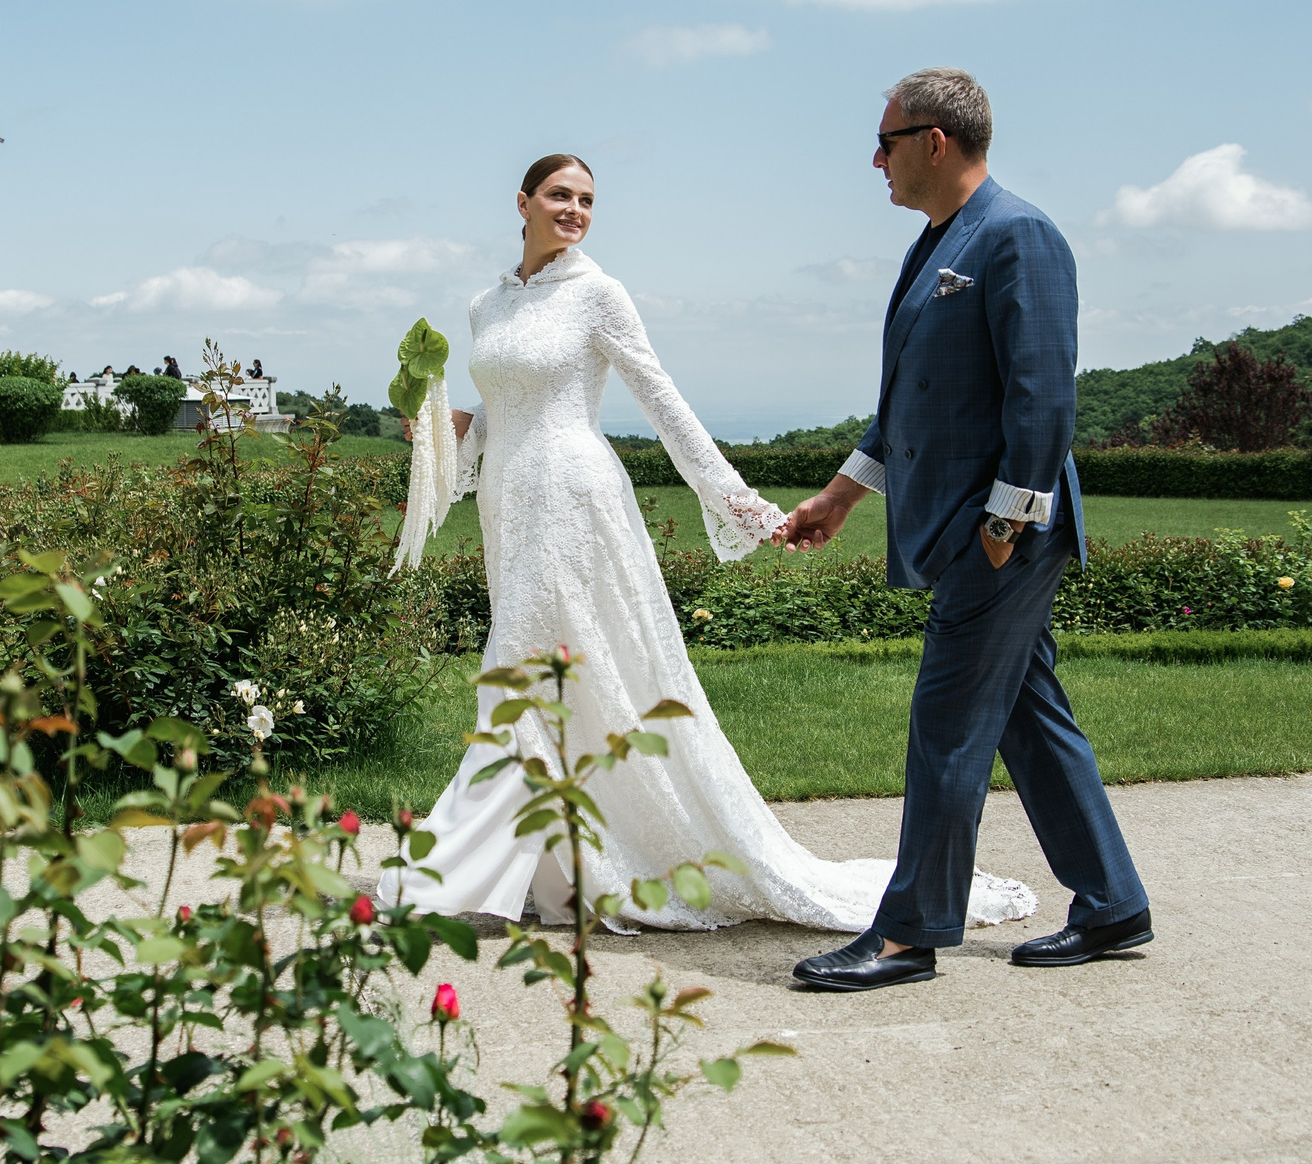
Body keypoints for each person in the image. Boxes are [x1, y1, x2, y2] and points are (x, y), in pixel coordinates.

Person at [377, 153, 1035, 935]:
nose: (575, 210)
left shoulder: (599, 295)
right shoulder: (488, 304)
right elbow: (501, 411)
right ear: (522, 201)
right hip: (508, 505)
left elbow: (664, 404)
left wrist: (742, 506)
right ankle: (566, 867)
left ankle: (451, 873)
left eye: (588, 199)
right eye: (560, 195)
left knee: (518, 669)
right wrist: (445, 431)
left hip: (574, 502)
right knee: (558, 683)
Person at [779, 69, 1152, 991]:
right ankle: (1111, 904)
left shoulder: (1020, 236)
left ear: (934, 142)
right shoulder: (933, 245)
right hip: (956, 526)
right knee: (1030, 717)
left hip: (999, 537)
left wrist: (1007, 523)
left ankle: (910, 933)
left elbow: (1043, 399)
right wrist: (840, 498)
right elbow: (908, 403)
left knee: (946, 723)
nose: (877, 159)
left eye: (886, 142)